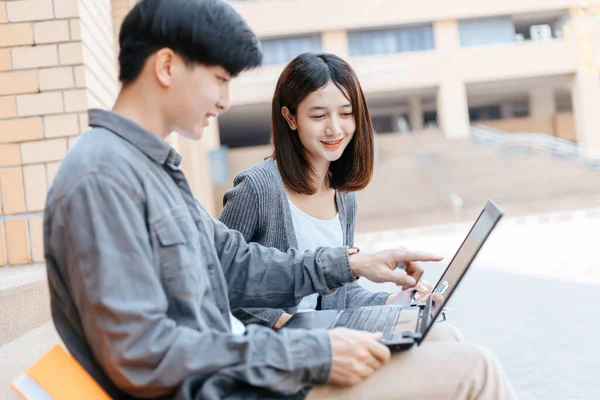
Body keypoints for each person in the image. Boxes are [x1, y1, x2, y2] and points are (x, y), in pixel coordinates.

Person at [43, 0, 516, 399]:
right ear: (166, 66)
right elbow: (141, 352)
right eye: (219, 78)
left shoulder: (151, 170)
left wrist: (354, 263)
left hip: (250, 371)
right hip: (237, 387)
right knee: (474, 367)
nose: (226, 99)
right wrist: (314, 352)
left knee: (443, 338)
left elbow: (240, 263)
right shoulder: (102, 176)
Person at [220, 52, 434, 330]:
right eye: (319, 115)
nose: (334, 128)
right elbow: (219, 280)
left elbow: (339, 296)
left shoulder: (344, 198)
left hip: (325, 340)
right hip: (276, 352)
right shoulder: (257, 189)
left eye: (346, 113)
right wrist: (291, 326)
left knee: (436, 330)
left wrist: (397, 300)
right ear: (291, 118)